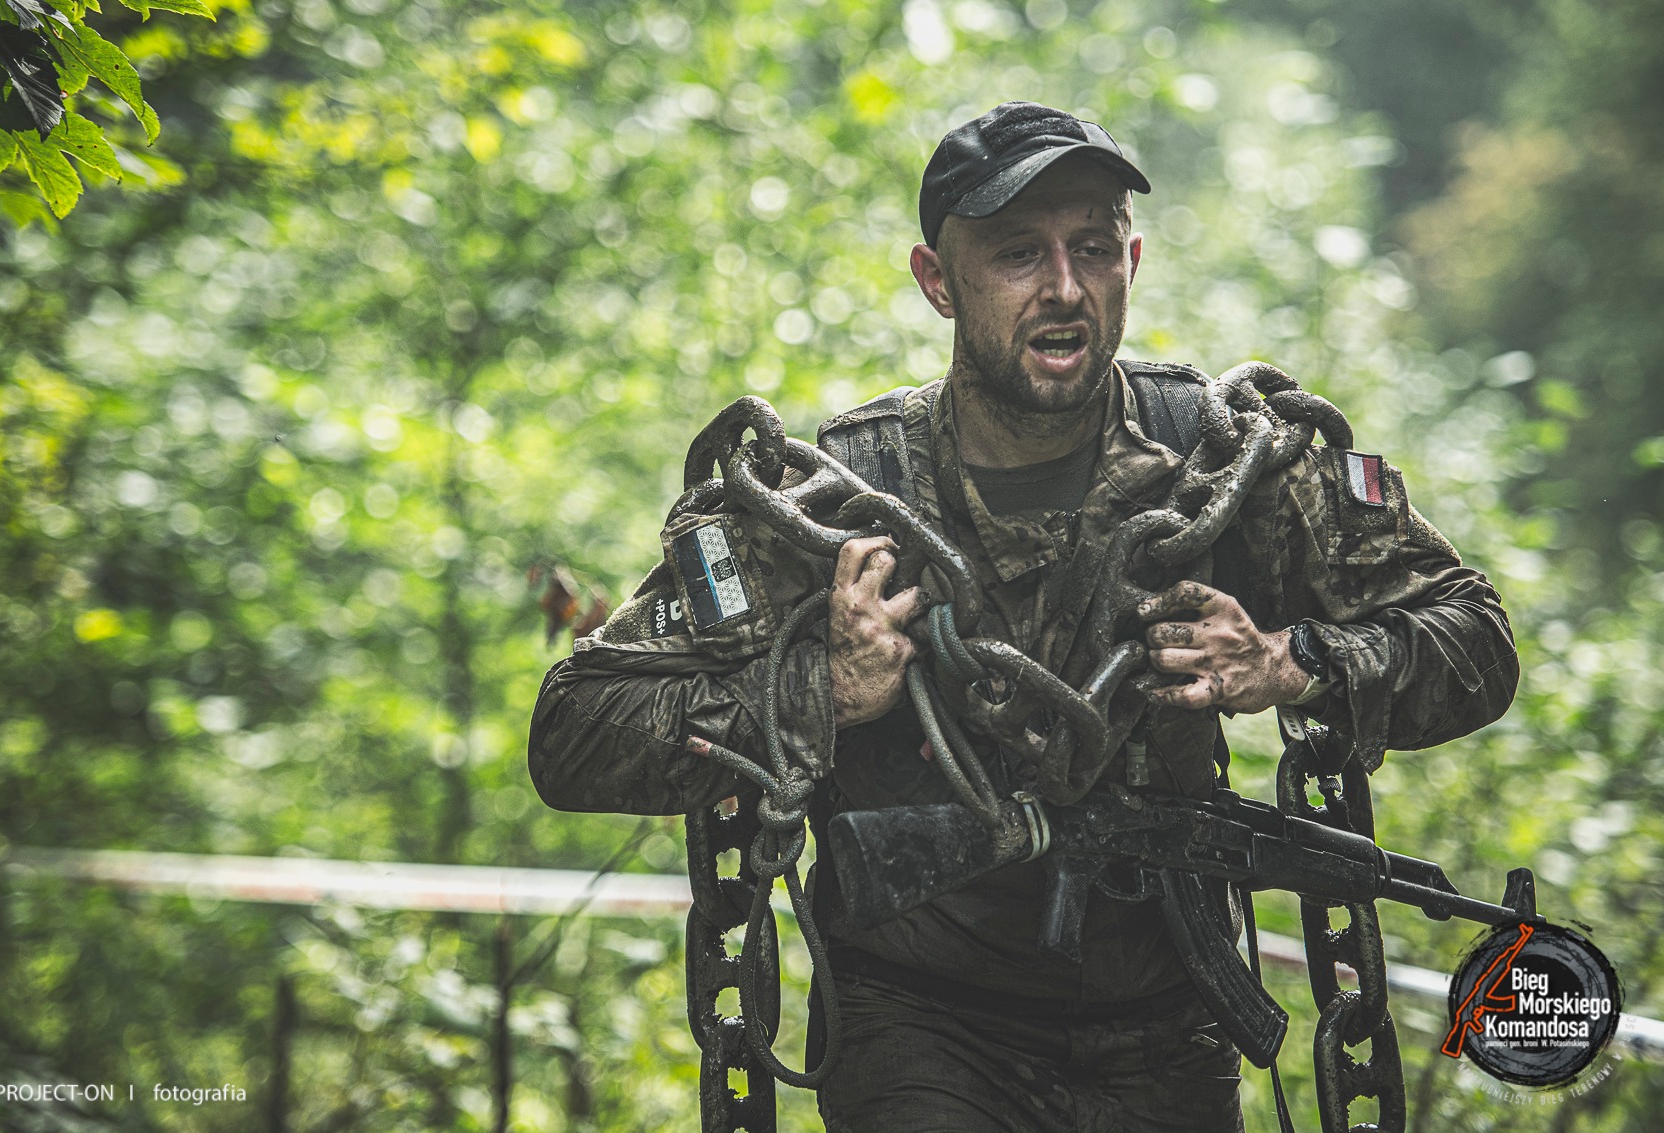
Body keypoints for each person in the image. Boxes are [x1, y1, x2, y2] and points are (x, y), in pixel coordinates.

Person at [527, 101, 1518, 1132]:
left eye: (1091, 247)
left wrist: (1291, 659)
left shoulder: (1225, 467)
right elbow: (573, 731)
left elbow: (1472, 638)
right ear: (935, 280)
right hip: (918, 1026)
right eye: (1015, 253)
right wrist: (816, 690)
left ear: (1130, 259)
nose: (1062, 287)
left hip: (1168, 1026)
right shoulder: (832, 501)